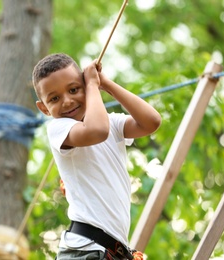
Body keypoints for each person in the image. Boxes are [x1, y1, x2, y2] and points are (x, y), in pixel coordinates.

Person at [32, 53, 161, 260]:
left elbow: (151, 122)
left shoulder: (112, 123)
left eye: (74, 89)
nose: (67, 101)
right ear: (44, 108)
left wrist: (105, 84)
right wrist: (91, 86)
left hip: (106, 249)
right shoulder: (59, 128)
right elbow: (97, 131)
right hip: (85, 249)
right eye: (54, 98)